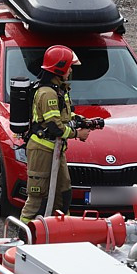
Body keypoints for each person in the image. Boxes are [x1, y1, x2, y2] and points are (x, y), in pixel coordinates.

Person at [19, 45, 93, 225]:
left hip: (56, 151)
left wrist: (84, 121)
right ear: (59, 69)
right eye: (69, 66)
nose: (71, 70)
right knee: (38, 198)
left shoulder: (59, 90)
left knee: (63, 195)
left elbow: (64, 116)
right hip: (42, 151)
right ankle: (26, 236)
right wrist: (78, 133)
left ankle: (59, 234)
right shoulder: (47, 93)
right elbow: (55, 127)